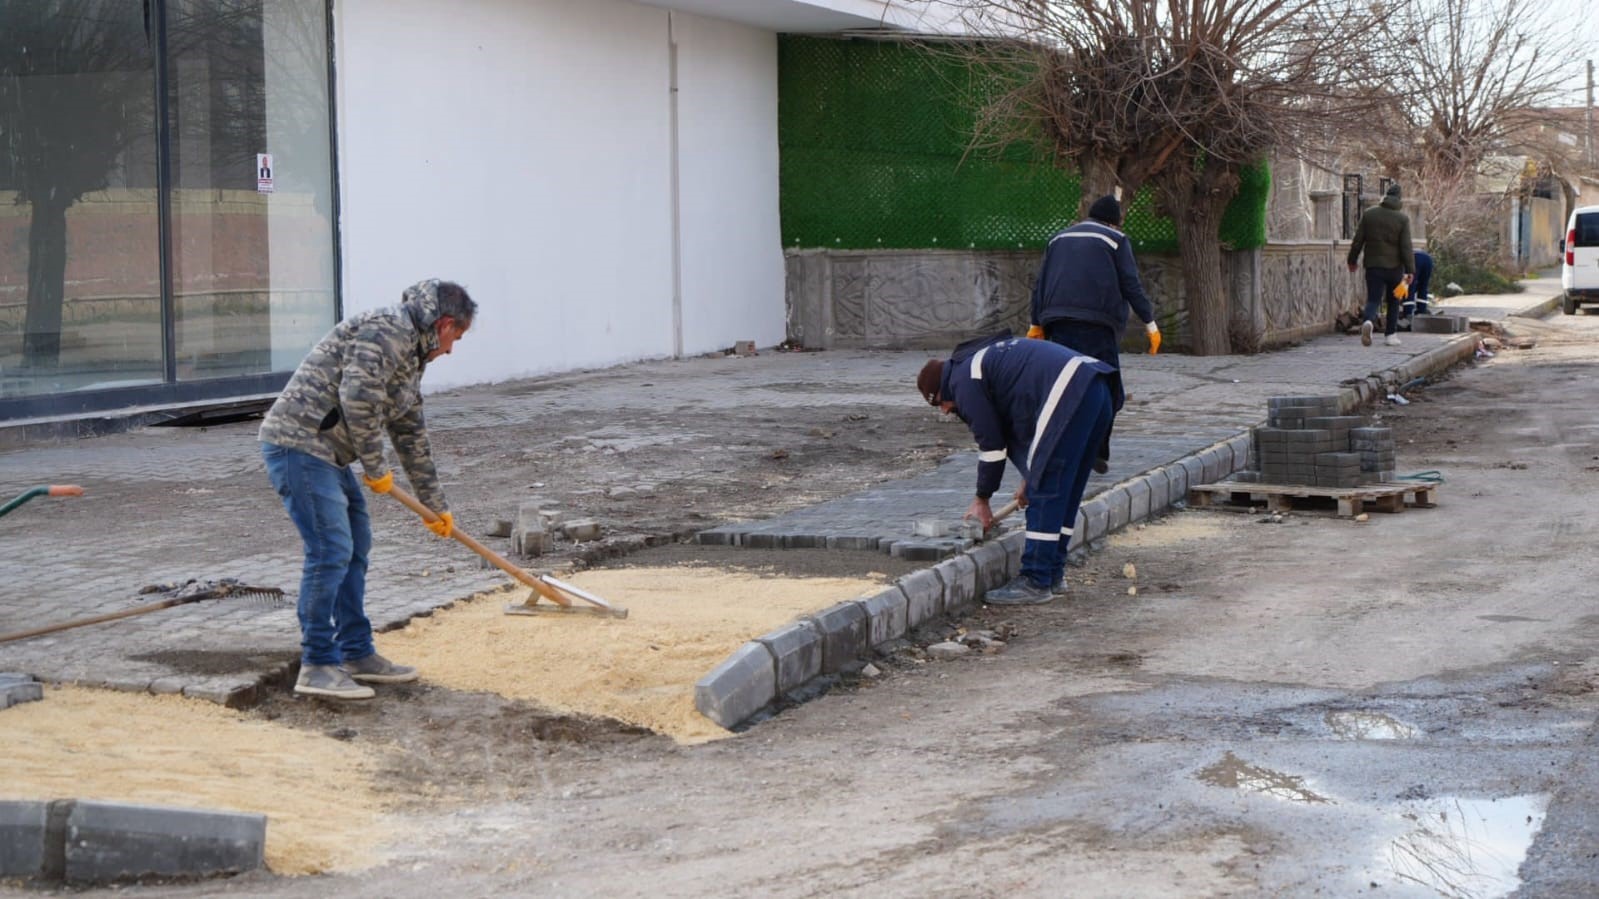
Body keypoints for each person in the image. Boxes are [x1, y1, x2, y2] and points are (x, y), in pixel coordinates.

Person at [259, 279, 475, 700]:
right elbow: (357, 398)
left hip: (329, 454)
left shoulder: (413, 353)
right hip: (298, 445)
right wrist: (376, 468)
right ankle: (318, 664)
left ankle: (356, 652)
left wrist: (436, 506)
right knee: (330, 550)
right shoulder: (388, 330)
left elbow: (411, 433)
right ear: (445, 323)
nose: (451, 350)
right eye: (457, 338)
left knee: (356, 545)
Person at [917, 333, 1117, 605]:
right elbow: (1021, 428)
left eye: (939, 402)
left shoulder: (963, 381)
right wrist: (1030, 475)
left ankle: (1035, 579)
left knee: (1047, 490)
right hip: (1096, 388)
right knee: (1063, 488)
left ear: (942, 388)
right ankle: (1053, 573)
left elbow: (992, 445)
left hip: (1069, 391)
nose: (944, 410)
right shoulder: (981, 365)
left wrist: (982, 499)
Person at [1025, 194, 1159, 475]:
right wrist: (1150, 322)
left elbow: (1041, 283)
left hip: (1057, 322)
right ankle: (1097, 453)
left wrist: (1036, 322)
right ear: (1115, 222)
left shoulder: (1057, 238)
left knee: (1064, 385)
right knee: (1107, 389)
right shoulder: (1115, 240)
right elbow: (1130, 283)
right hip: (1097, 324)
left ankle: (1058, 449)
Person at [1347, 183, 1415, 347]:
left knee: (1373, 299)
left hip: (1373, 265)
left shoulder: (1369, 215)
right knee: (1393, 301)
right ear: (1399, 199)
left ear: (1385, 196)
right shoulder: (1402, 219)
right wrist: (1410, 270)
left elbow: (1358, 241)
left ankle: (1368, 322)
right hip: (1395, 267)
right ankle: (1390, 335)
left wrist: (1352, 260)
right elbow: (1406, 247)